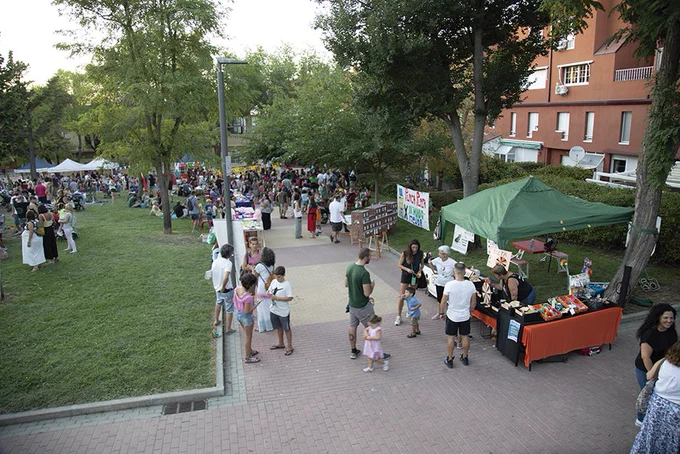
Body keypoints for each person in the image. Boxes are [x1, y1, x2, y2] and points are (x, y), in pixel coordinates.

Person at [630, 340, 680, 453]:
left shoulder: (664, 361)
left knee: (651, 434)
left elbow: (649, 375)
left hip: (656, 405)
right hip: (676, 411)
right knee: (671, 440)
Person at [634, 304, 677, 426]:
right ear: (658, 317)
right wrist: (653, 374)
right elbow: (645, 357)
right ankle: (641, 419)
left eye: (671, 318)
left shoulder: (671, 331)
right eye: (666, 318)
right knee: (647, 393)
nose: (669, 321)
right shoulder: (649, 334)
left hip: (662, 367)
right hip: (646, 369)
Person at [345, 247, 391, 363]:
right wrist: (372, 285)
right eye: (369, 256)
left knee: (352, 327)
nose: (370, 258)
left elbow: (346, 284)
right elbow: (367, 293)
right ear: (366, 258)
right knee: (372, 329)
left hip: (352, 305)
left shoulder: (350, 267)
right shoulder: (364, 273)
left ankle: (353, 350)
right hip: (363, 307)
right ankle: (377, 354)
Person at [439, 262, 477, 368]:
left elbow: (443, 301)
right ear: (465, 272)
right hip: (465, 315)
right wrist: (470, 311)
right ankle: (465, 357)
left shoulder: (449, 285)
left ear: (454, 272)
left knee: (451, 338)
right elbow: (473, 302)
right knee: (465, 336)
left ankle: (450, 359)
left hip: (452, 315)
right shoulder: (470, 285)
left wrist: (441, 313)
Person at [395, 239, 424, 326]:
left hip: (414, 276)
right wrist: (407, 269)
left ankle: (410, 311)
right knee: (402, 296)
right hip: (405, 275)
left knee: (411, 295)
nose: (415, 249)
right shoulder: (405, 253)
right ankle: (399, 315)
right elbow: (399, 264)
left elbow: (421, 264)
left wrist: (420, 270)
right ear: (410, 247)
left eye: (416, 247)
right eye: (413, 247)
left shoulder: (420, 253)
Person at [234, 272, 260, 364]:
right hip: (246, 317)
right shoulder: (248, 297)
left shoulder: (238, 288)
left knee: (247, 335)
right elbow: (247, 311)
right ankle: (247, 357)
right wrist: (256, 305)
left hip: (239, 315)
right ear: (250, 285)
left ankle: (250, 351)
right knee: (248, 337)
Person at [268, 266, 295, 356]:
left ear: (283, 275)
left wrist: (277, 298)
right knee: (278, 327)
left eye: (279, 276)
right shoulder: (273, 281)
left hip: (283, 311)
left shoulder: (287, 284)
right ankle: (280, 343)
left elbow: (290, 297)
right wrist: (269, 294)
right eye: (276, 276)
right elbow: (269, 291)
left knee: (286, 329)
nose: (277, 278)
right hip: (274, 309)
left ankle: (289, 346)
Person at [211, 243, 235, 335]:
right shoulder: (228, 263)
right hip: (226, 288)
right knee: (229, 308)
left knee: (218, 303)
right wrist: (223, 286)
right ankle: (228, 328)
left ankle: (216, 320)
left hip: (217, 287)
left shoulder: (215, 261)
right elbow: (226, 277)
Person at [428, 245, 457, 319]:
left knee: (450, 300)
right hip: (439, 283)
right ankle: (439, 312)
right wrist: (433, 271)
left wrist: (454, 276)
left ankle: (450, 314)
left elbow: (457, 269)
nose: (438, 254)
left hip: (449, 284)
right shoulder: (437, 260)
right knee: (439, 299)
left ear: (445, 254)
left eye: (440, 253)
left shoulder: (452, 262)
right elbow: (430, 262)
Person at [253, 247, 276, 333]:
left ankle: (262, 326)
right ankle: (271, 324)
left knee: (261, 307)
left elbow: (254, 276)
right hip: (270, 286)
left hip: (262, 288)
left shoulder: (259, 266)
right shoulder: (272, 265)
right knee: (269, 305)